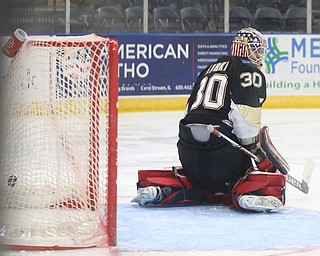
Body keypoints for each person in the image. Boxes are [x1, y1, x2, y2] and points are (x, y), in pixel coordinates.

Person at [131, 27, 287, 212]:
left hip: (188, 153)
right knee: (243, 172)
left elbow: (189, 112)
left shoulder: (208, 69)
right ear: (246, 49)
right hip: (224, 160)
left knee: (200, 185)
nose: (260, 55)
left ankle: (163, 189)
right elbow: (247, 132)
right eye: (257, 49)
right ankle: (246, 194)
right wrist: (259, 156)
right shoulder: (248, 73)